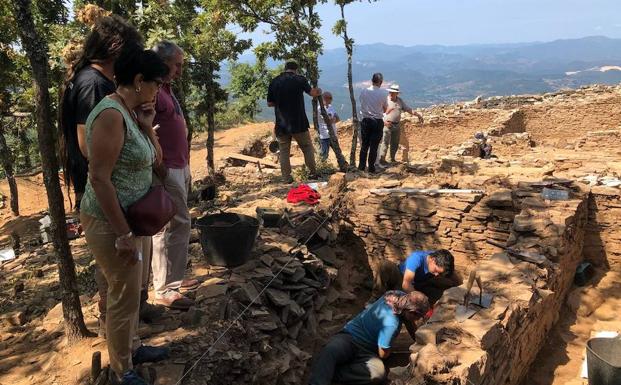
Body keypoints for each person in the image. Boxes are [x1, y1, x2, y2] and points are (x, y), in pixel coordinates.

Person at [58, 15, 160, 336]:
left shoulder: (92, 80)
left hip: (119, 193)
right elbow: (87, 146)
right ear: (117, 50)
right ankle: (115, 336)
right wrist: (133, 147)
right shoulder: (94, 85)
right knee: (117, 278)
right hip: (106, 197)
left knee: (124, 280)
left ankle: (127, 337)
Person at [80, 43, 170, 385]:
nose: (158, 90)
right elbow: (99, 178)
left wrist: (147, 126)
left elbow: (156, 160)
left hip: (134, 216)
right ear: (138, 80)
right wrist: (122, 234)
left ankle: (131, 346)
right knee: (122, 293)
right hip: (109, 221)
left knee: (134, 288)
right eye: (156, 83)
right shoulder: (110, 115)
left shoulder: (133, 114)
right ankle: (122, 369)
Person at [151, 41, 199, 310]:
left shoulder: (166, 90)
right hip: (166, 168)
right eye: (177, 65)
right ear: (163, 62)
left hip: (179, 166)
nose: (180, 70)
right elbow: (144, 126)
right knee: (172, 225)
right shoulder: (152, 92)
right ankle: (165, 289)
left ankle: (174, 279)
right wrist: (160, 165)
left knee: (178, 224)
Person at [308, 291, 430, 385]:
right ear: (412, 312)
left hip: (364, 350)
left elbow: (408, 320)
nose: (418, 320)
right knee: (332, 349)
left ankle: (331, 372)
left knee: (378, 373)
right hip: (350, 336)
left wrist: (419, 340)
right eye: (419, 317)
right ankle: (321, 379)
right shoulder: (391, 324)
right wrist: (388, 346)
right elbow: (383, 354)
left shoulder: (397, 295)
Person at [267, 59, 322, 183]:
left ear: (285, 68)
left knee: (284, 151)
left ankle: (286, 178)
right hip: (299, 121)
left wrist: (281, 101)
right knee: (307, 147)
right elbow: (312, 93)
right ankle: (312, 174)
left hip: (281, 124)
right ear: (296, 69)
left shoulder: (275, 81)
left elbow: (270, 103)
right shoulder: (300, 79)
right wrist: (319, 91)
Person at [373, 249, 455, 304]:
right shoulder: (416, 258)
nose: (437, 275)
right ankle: (375, 298)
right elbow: (406, 285)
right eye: (436, 270)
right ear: (432, 260)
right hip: (401, 280)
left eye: (440, 273)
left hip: (418, 284)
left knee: (439, 293)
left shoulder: (439, 258)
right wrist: (421, 299)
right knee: (385, 265)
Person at [377, 84, 423, 166]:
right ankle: (382, 159)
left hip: (396, 125)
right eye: (391, 92)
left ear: (397, 93)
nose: (391, 93)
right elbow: (378, 113)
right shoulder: (385, 100)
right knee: (385, 142)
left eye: (393, 92)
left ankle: (392, 159)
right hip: (387, 125)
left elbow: (408, 109)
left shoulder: (399, 101)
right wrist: (384, 122)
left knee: (395, 143)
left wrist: (418, 115)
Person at [358, 73, 388, 173]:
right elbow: (385, 109)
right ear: (381, 82)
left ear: (372, 80)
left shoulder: (364, 91)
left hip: (365, 121)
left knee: (364, 145)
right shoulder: (383, 93)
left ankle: (361, 167)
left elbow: (362, 104)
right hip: (377, 121)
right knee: (374, 147)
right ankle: (371, 168)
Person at [316, 91, 340, 160]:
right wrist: (332, 119)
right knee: (324, 154)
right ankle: (322, 167)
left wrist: (332, 119)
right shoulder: (320, 108)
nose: (331, 99)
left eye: (331, 98)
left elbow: (338, 118)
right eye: (329, 98)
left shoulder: (330, 107)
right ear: (324, 98)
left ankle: (342, 165)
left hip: (333, 134)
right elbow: (328, 121)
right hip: (324, 135)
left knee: (338, 153)